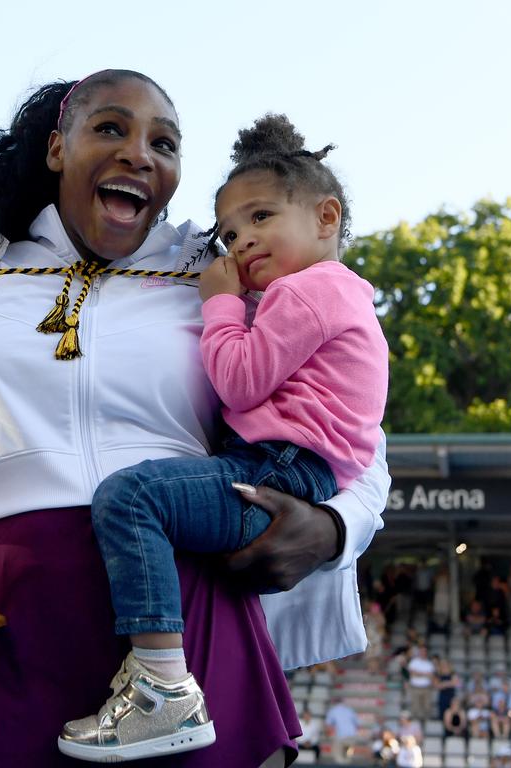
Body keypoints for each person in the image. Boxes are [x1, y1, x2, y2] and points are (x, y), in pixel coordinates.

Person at [0, 69, 389, 767]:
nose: (139, 154)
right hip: (7, 622)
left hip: (188, 619)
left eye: (165, 143)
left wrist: (332, 528)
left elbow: (351, 427)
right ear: (57, 149)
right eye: (110, 128)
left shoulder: (224, 280)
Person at [63, 112, 387, 759]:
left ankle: (161, 688)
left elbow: (239, 381)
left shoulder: (305, 293)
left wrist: (219, 302)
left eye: (262, 219)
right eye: (231, 232)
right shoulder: (339, 293)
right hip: (295, 468)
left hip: (278, 468)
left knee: (131, 499)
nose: (240, 244)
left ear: (326, 219)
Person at [325, 698, 360, 765]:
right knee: (348, 756)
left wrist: (327, 734)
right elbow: (357, 724)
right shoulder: (349, 710)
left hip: (341, 736)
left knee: (338, 756)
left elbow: (328, 724)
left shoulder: (333, 710)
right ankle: (347, 763)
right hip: (352, 735)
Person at [405, 645, 435, 721]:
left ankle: (427, 724)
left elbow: (431, 676)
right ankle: (415, 723)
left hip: (426, 688)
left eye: (424, 651)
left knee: (427, 706)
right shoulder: (414, 662)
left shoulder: (429, 663)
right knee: (415, 706)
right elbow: (412, 674)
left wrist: (418, 673)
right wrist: (425, 674)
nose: (423, 653)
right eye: (421, 651)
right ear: (419, 652)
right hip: (415, 687)